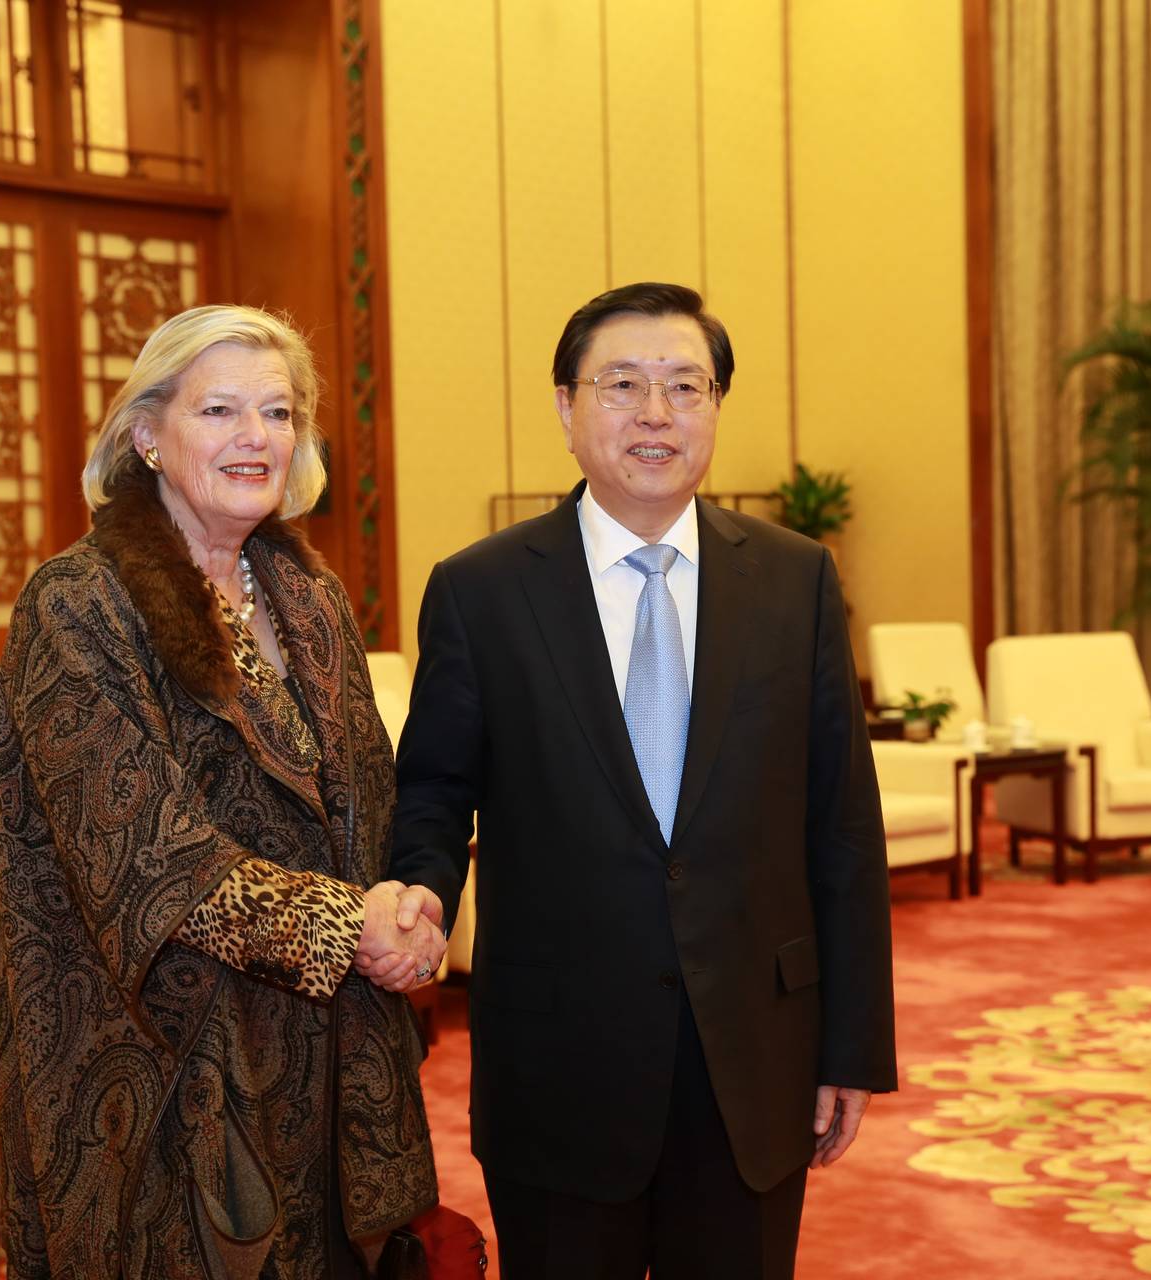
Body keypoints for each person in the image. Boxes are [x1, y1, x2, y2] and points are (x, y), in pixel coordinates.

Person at [377, 282, 896, 1277]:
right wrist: (423, 893)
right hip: (559, 1059)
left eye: (685, 386)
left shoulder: (796, 581)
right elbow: (437, 786)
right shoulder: (481, 590)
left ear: (715, 408)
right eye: (623, 384)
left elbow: (841, 826)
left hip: (753, 1051)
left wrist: (851, 1045)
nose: (657, 414)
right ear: (567, 407)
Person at [0, 304, 446, 1278]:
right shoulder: (79, 602)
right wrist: (348, 929)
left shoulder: (308, 594)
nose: (255, 436)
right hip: (155, 1062)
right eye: (220, 409)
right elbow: (146, 853)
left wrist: (411, 903)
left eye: (278, 413)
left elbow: (368, 793)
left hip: (321, 1057)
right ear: (147, 435)